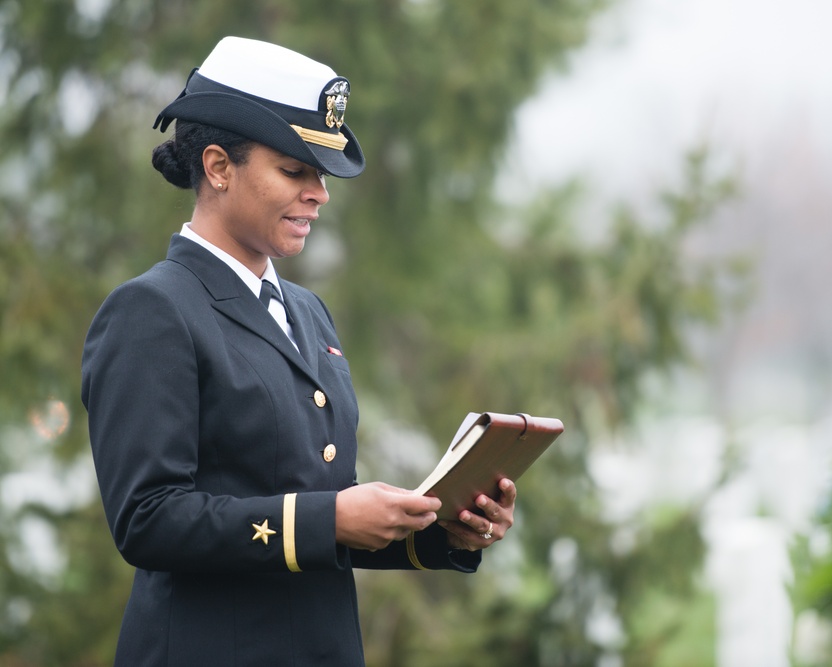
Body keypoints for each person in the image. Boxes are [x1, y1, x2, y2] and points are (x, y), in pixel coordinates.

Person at [81, 36, 516, 667]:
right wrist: (330, 520)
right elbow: (148, 520)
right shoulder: (151, 311)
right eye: (295, 170)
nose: (320, 193)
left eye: (322, 174)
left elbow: (318, 505)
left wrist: (441, 529)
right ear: (218, 166)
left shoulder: (308, 312)